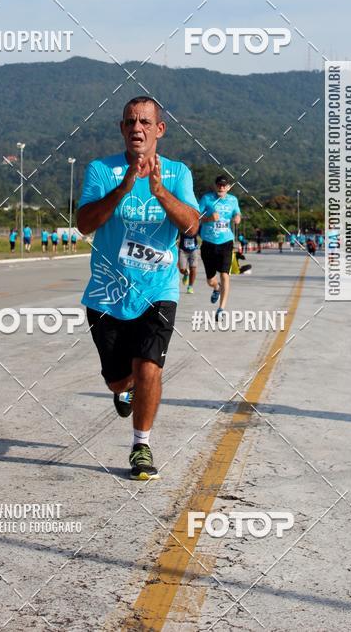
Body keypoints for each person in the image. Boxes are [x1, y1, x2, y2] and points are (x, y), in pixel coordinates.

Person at [77, 97, 199, 481]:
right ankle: (123, 389)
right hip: (107, 294)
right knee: (118, 378)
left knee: (149, 365)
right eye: (130, 121)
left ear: (159, 129)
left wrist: (161, 194)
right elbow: (84, 223)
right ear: (122, 128)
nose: (137, 128)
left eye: (145, 122)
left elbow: (192, 225)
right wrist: (125, 186)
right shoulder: (101, 170)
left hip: (159, 290)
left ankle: (141, 446)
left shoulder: (178, 174)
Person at [198, 175, 241, 320]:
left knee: (224, 275)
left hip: (226, 242)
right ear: (215, 186)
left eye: (224, 185)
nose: (221, 187)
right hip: (208, 243)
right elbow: (196, 216)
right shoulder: (207, 199)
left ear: (228, 187)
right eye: (219, 185)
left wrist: (237, 218)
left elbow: (237, 213)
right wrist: (209, 219)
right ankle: (216, 288)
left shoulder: (233, 200)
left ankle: (221, 308)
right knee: (211, 280)